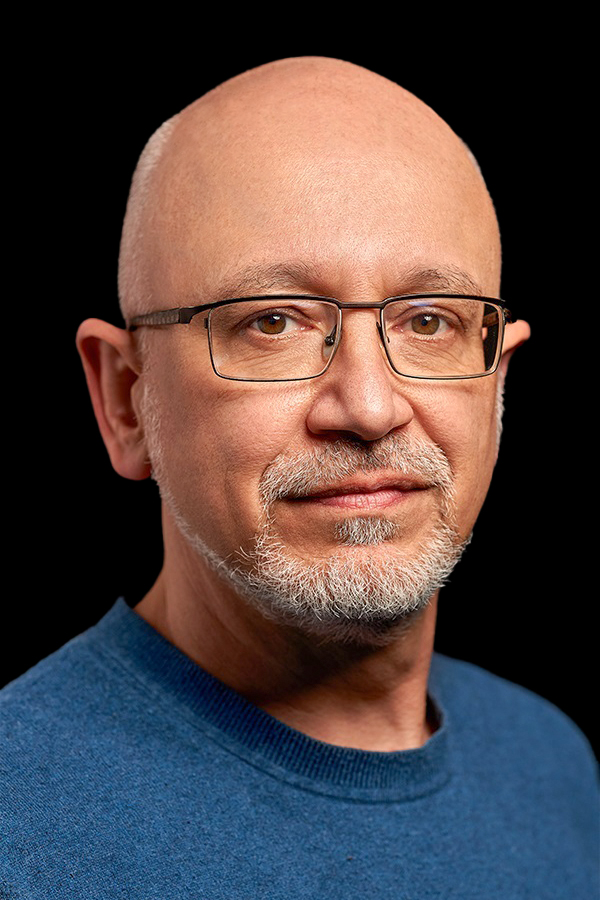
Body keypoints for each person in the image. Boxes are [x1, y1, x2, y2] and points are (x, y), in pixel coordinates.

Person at [1, 56, 597, 898]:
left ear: (498, 383)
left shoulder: (555, 768)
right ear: (127, 401)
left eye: (430, 321)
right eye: (272, 322)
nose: (369, 406)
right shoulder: (18, 827)